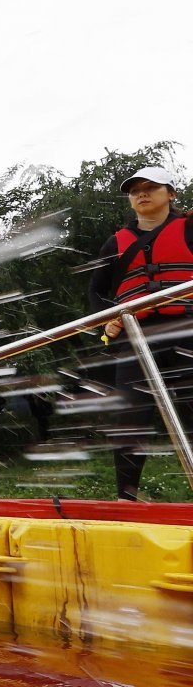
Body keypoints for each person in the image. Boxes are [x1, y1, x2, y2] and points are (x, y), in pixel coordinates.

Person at [90, 165, 193, 499]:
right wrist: (106, 320)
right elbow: (97, 292)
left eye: (151, 187)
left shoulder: (190, 228)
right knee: (130, 419)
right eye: (136, 190)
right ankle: (126, 497)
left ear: (171, 193)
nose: (142, 194)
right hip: (136, 338)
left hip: (187, 331)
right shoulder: (114, 243)